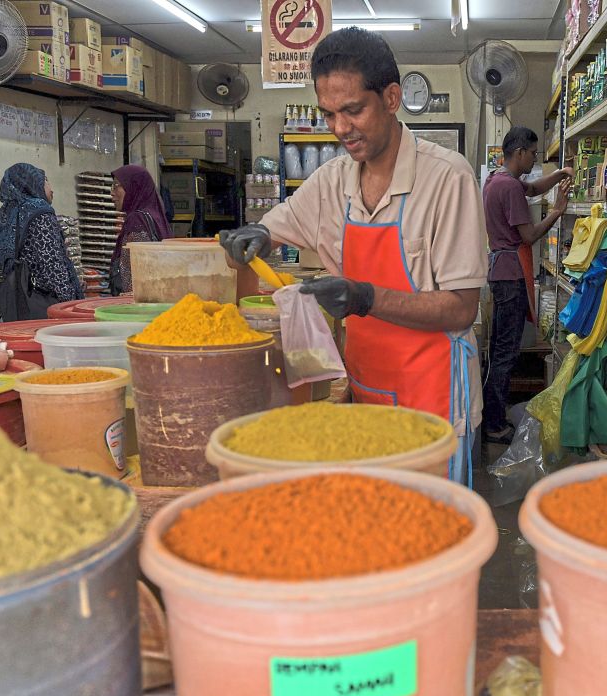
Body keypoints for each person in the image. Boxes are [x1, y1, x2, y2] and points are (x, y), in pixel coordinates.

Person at [218, 27, 486, 485]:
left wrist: (364, 298)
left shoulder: (447, 179)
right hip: (366, 389)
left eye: (353, 110)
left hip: (435, 401)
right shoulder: (331, 181)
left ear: (392, 98)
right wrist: (254, 236)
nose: (341, 128)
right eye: (328, 114)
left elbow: (462, 306)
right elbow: (271, 231)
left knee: (428, 538)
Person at [481, 127, 573, 443]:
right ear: (520, 151)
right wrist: (558, 212)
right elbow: (530, 235)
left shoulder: (497, 180)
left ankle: (492, 415)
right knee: (506, 352)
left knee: (500, 349)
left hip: (501, 273)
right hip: (510, 277)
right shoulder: (508, 188)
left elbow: (532, 189)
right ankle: (494, 424)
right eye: (533, 154)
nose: (535, 159)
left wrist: (560, 174)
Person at [0, 163, 82, 320]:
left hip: (18, 300)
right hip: (45, 303)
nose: (51, 188)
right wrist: (70, 304)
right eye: (46, 180)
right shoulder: (39, 211)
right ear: (33, 183)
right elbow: (51, 263)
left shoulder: (7, 213)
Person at [109, 164, 171, 295]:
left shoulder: (137, 220)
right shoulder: (156, 215)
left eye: (116, 186)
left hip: (137, 304)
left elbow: (137, 269)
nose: (112, 193)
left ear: (134, 187)